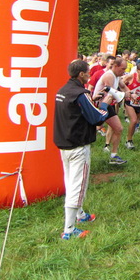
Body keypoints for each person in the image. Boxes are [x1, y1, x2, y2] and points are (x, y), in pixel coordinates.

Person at [53, 60, 115, 240]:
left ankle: (79, 214)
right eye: (88, 72)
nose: (90, 74)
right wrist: (105, 104)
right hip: (78, 146)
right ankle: (69, 229)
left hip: (64, 143)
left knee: (70, 181)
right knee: (77, 186)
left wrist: (91, 101)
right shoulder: (81, 93)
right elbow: (97, 118)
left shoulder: (62, 91)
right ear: (81, 74)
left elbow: (75, 112)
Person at [93, 57, 130, 164]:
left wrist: (131, 94)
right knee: (93, 130)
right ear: (115, 66)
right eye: (122, 69)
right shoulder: (109, 76)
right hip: (99, 105)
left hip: (107, 105)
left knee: (118, 128)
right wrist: (124, 95)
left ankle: (114, 155)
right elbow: (111, 93)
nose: (124, 71)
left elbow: (123, 86)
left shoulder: (117, 76)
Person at [122, 63, 140, 150]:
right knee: (134, 120)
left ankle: (130, 138)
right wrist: (126, 93)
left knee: (136, 122)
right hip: (129, 101)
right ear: (137, 70)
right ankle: (129, 141)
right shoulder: (130, 77)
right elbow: (121, 85)